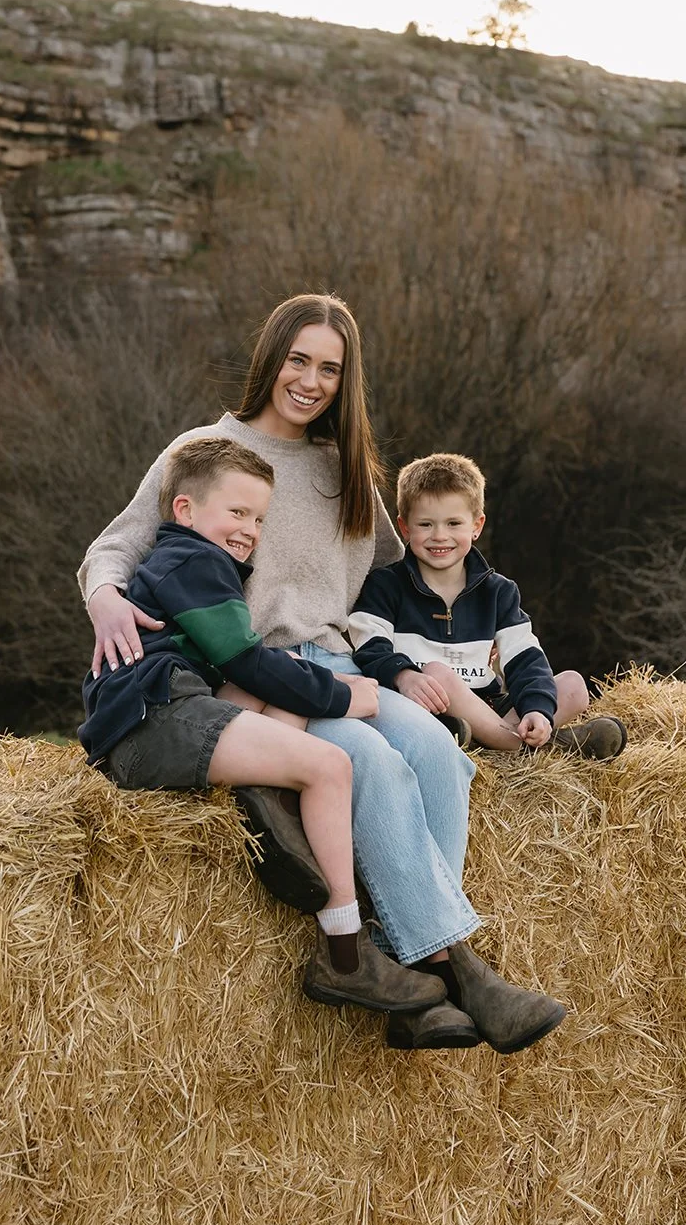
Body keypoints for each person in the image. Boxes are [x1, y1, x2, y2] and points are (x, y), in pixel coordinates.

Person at [79, 293, 567, 1053]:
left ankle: (415, 963)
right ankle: (454, 970)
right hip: (271, 674)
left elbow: (410, 576)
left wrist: (447, 662)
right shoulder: (205, 450)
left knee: (439, 756)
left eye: (330, 369)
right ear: (271, 357)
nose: (310, 380)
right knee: (368, 763)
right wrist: (106, 599)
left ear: (347, 381)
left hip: (344, 660)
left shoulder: (345, 474)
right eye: (298, 360)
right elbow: (118, 545)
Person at [79, 436, 446, 1019]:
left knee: (286, 676)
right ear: (185, 510)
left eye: (258, 517)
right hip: (154, 717)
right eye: (237, 512)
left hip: (171, 705)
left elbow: (251, 670)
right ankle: (345, 955)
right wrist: (343, 696)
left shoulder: (198, 561)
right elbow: (246, 660)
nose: (250, 528)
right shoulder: (193, 562)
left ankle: (266, 802)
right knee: (331, 765)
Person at [348, 453, 628, 758]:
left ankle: (505, 737)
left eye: (454, 523)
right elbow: (369, 646)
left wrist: (538, 711)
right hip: (427, 707)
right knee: (437, 673)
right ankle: (546, 745)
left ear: (476, 525)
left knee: (573, 685)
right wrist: (404, 675)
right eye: (425, 524)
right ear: (404, 527)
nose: (440, 536)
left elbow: (524, 657)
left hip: (490, 705)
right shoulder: (386, 585)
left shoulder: (498, 592)